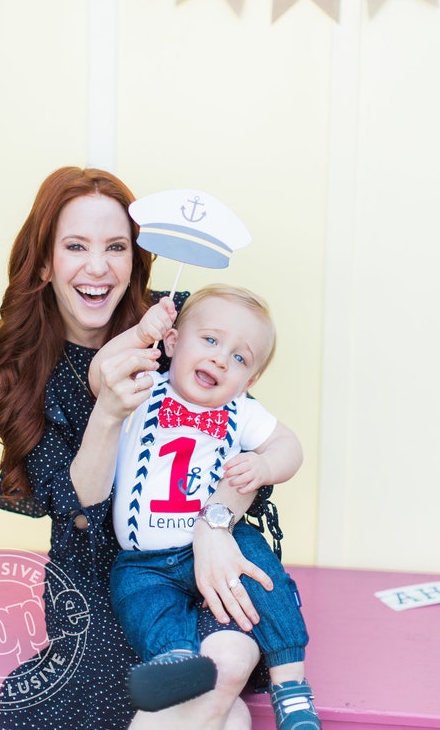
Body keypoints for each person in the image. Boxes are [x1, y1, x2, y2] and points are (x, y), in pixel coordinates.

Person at [0, 166, 293, 730]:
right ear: (46, 262)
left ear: (136, 257)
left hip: (208, 551)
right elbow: (79, 506)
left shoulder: (182, 326)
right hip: (102, 577)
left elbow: (243, 442)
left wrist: (214, 526)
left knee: (228, 659)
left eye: (115, 247)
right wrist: (109, 412)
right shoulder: (20, 371)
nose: (97, 267)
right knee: (188, 703)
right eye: (76, 246)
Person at [90, 285, 320, 729]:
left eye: (240, 358)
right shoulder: (144, 393)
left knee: (264, 579)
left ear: (249, 381)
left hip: (221, 544)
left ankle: (290, 685)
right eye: (210, 340)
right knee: (138, 596)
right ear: (173, 344)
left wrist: (266, 463)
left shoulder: (242, 410)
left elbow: (289, 445)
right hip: (147, 559)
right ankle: (176, 661)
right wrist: (140, 334)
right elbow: (102, 373)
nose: (220, 359)